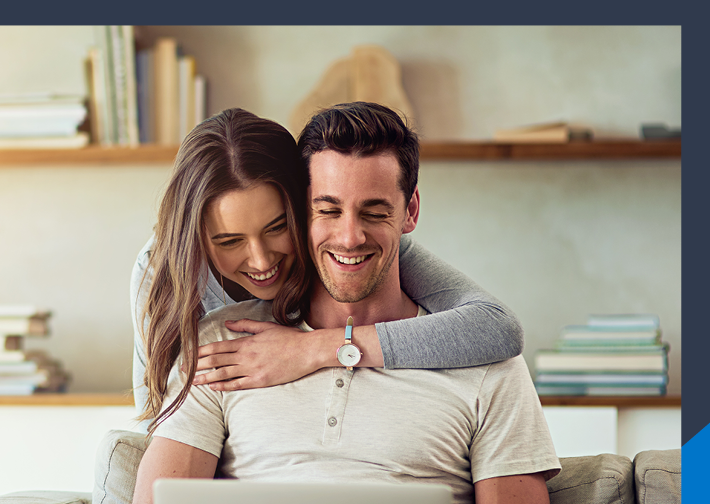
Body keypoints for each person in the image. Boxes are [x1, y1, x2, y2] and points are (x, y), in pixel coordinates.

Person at [128, 102, 561, 504]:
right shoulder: (218, 340)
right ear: (305, 211)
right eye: (328, 210)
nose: (350, 237)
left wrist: (319, 348)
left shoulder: (487, 361)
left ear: (409, 211)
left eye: (374, 211)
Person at [131, 108, 524, 434]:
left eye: (278, 227)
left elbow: (496, 327)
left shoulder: (361, 244)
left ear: (301, 209)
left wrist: (312, 348)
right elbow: (161, 421)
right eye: (229, 241)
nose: (262, 261)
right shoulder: (162, 273)